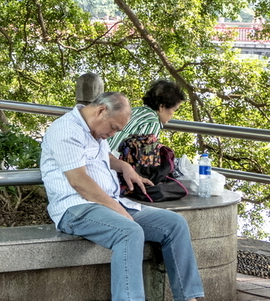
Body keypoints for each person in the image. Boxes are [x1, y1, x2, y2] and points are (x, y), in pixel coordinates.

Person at [40, 91, 204, 301]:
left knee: (175, 224)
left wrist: (123, 165)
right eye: (114, 128)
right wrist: (117, 209)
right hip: (76, 208)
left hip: (108, 203)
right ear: (101, 111)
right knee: (129, 232)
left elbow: (102, 156)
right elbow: (79, 181)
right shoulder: (66, 130)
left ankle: (188, 298)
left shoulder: (94, 129)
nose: (112, 134)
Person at [109, 79, 185, 156]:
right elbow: (143, 157)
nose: (173, 115)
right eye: (174, 110)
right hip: (116, 165)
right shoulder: (152, 123)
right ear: (162, 106)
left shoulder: (135, 110)